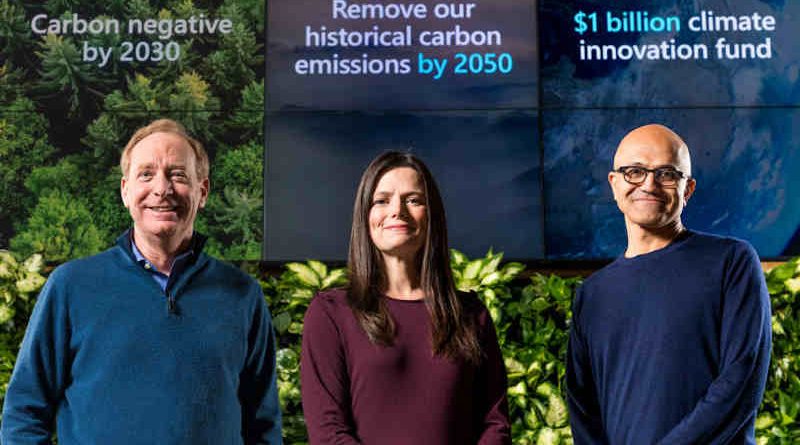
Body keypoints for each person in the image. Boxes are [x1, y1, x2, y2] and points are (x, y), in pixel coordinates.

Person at [1, 119, 282, 444]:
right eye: (146, 174)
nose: (161, 189)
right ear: (126, 191)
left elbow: (263, 427)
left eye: (177, 175)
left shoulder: (242, 294)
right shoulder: (70, 286)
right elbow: (24, 413)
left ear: (202, 192)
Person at [566, 124, 772, 444]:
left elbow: (740, 382)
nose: (649, 184)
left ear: (687, 189)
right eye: (634, 171)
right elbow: (583, 408)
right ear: (614, 183)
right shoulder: (592, 294)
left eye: (666, 173)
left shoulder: (731, 262)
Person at [300, 151, 510, 444]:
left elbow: (494, 423)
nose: (397, 211)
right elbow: (328, 432)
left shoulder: (471, 314)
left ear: (431, 214)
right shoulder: (330, 314)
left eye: (413, 200)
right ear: (366, 215)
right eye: (382, 200)